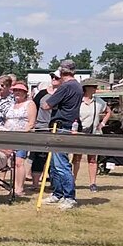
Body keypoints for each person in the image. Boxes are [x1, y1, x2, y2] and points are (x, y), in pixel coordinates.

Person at [39, 63, 82, 209]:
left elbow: (46, 105)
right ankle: (57, 193)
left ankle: (69, 197)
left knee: (61, 164)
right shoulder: (77, 86)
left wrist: (50, 95)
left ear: (62, 73)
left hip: (62, 126)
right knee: (53, 164)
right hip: (67, 126)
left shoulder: (65, 87)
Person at [71, 78, 112, 193]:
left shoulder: (99, 102)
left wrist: (102, 123)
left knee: (92, 159)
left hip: (93, 133)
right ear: (86, 88)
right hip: (79, 133)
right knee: (76, 158)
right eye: (93, 86)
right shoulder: (77, 101)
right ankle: (72, 181)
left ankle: (92, 183)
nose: (95, 88)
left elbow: (108, 111)